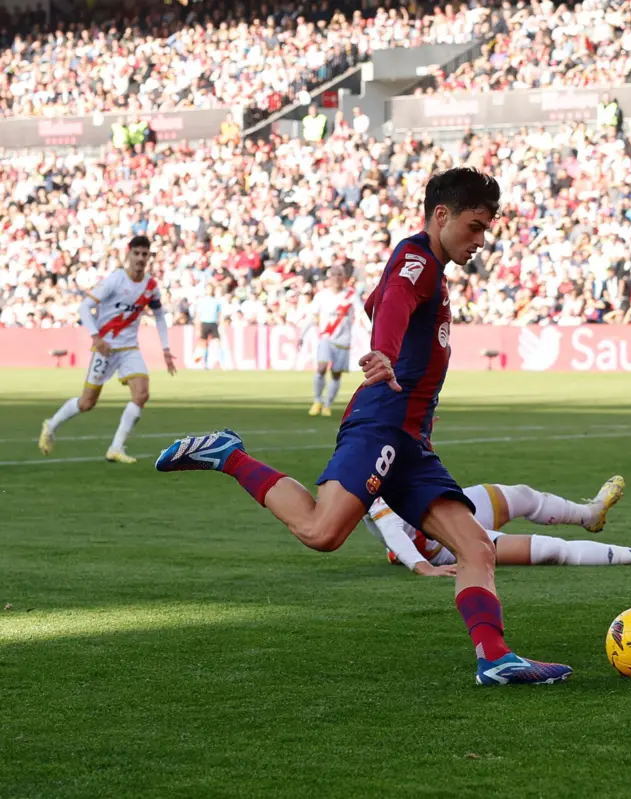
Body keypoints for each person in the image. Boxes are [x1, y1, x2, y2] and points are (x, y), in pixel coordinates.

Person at [155, 168, 573, 686]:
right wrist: (386, 353)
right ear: (441, 216)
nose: (480, 241)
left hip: (410, 442)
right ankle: (229, 454)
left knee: (476, 547)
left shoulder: (430, 271)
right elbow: (394, 299)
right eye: (474, 226)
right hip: (381, 427)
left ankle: (497, 659)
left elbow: (381, 300)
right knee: (321, 532)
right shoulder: (417, 257)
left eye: (487, 229)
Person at [39, 236, 177, 463]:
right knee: (87, 403)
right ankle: (51, 425)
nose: (141, 258)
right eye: (137, 253)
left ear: (149, 257)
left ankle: (116, 447)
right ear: (129, 254)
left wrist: (165, 348)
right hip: (106, 348)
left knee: (142, 393)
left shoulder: (151, 286)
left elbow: (160, 316)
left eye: (145, 254)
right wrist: (96, 337)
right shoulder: (115, 280)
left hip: (130, 348)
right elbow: (85, 307)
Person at [365, 476, 631, 574]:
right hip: (442, 539)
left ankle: (590, 514)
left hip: (451, 503)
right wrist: (423, 567)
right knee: (550, 550)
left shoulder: (400, 430)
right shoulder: (370, 471)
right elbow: (392, 528)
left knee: (523, 496)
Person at [308, 265, 360, 416]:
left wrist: (371, 328)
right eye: (334, 275)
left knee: (336, 373)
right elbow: (313, 314)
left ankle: (327, 404)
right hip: (326, 338)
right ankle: (317, 400)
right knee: (321, 367)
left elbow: (361, 311)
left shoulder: (350, 295)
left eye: (339, 275)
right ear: (329, 278)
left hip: (343, 340)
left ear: (344, 277)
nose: (336, 278)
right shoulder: (321, 296)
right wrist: (305, 332)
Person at [193, 284, 224, 370]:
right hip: (205, 323)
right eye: (207, 289)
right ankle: (205, 364)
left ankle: (222, 363)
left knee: (218, 343)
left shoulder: (216, 301)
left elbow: (219, 314)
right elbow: (198, 315)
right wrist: (197, 328)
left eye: (210, 289)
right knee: (204, 344)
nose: (209, 290)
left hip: (213, 323)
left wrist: (220, 324)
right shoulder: (202, 301)